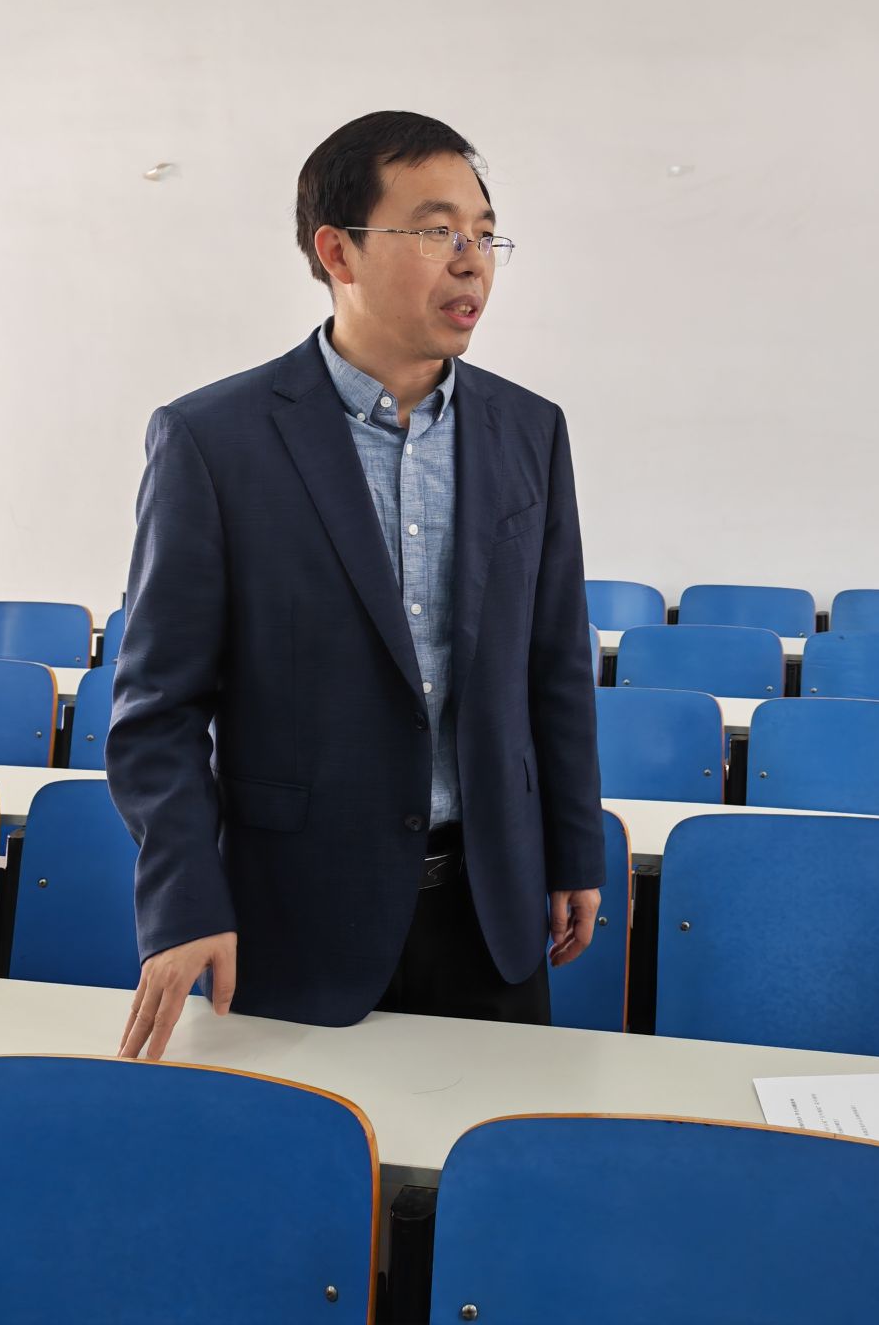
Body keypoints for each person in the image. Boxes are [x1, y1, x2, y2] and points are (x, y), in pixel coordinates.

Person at [109, 110, 604, 1060]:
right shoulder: (215, 440)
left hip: (492, 906)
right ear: (337, 250)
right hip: (295, 914)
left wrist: (574, 846)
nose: (471, 262)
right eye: (437, 231)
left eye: (484, 234)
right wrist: (183, 899)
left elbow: (553, 666)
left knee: (484, 1145)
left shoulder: (529, 430)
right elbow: (157, 709)